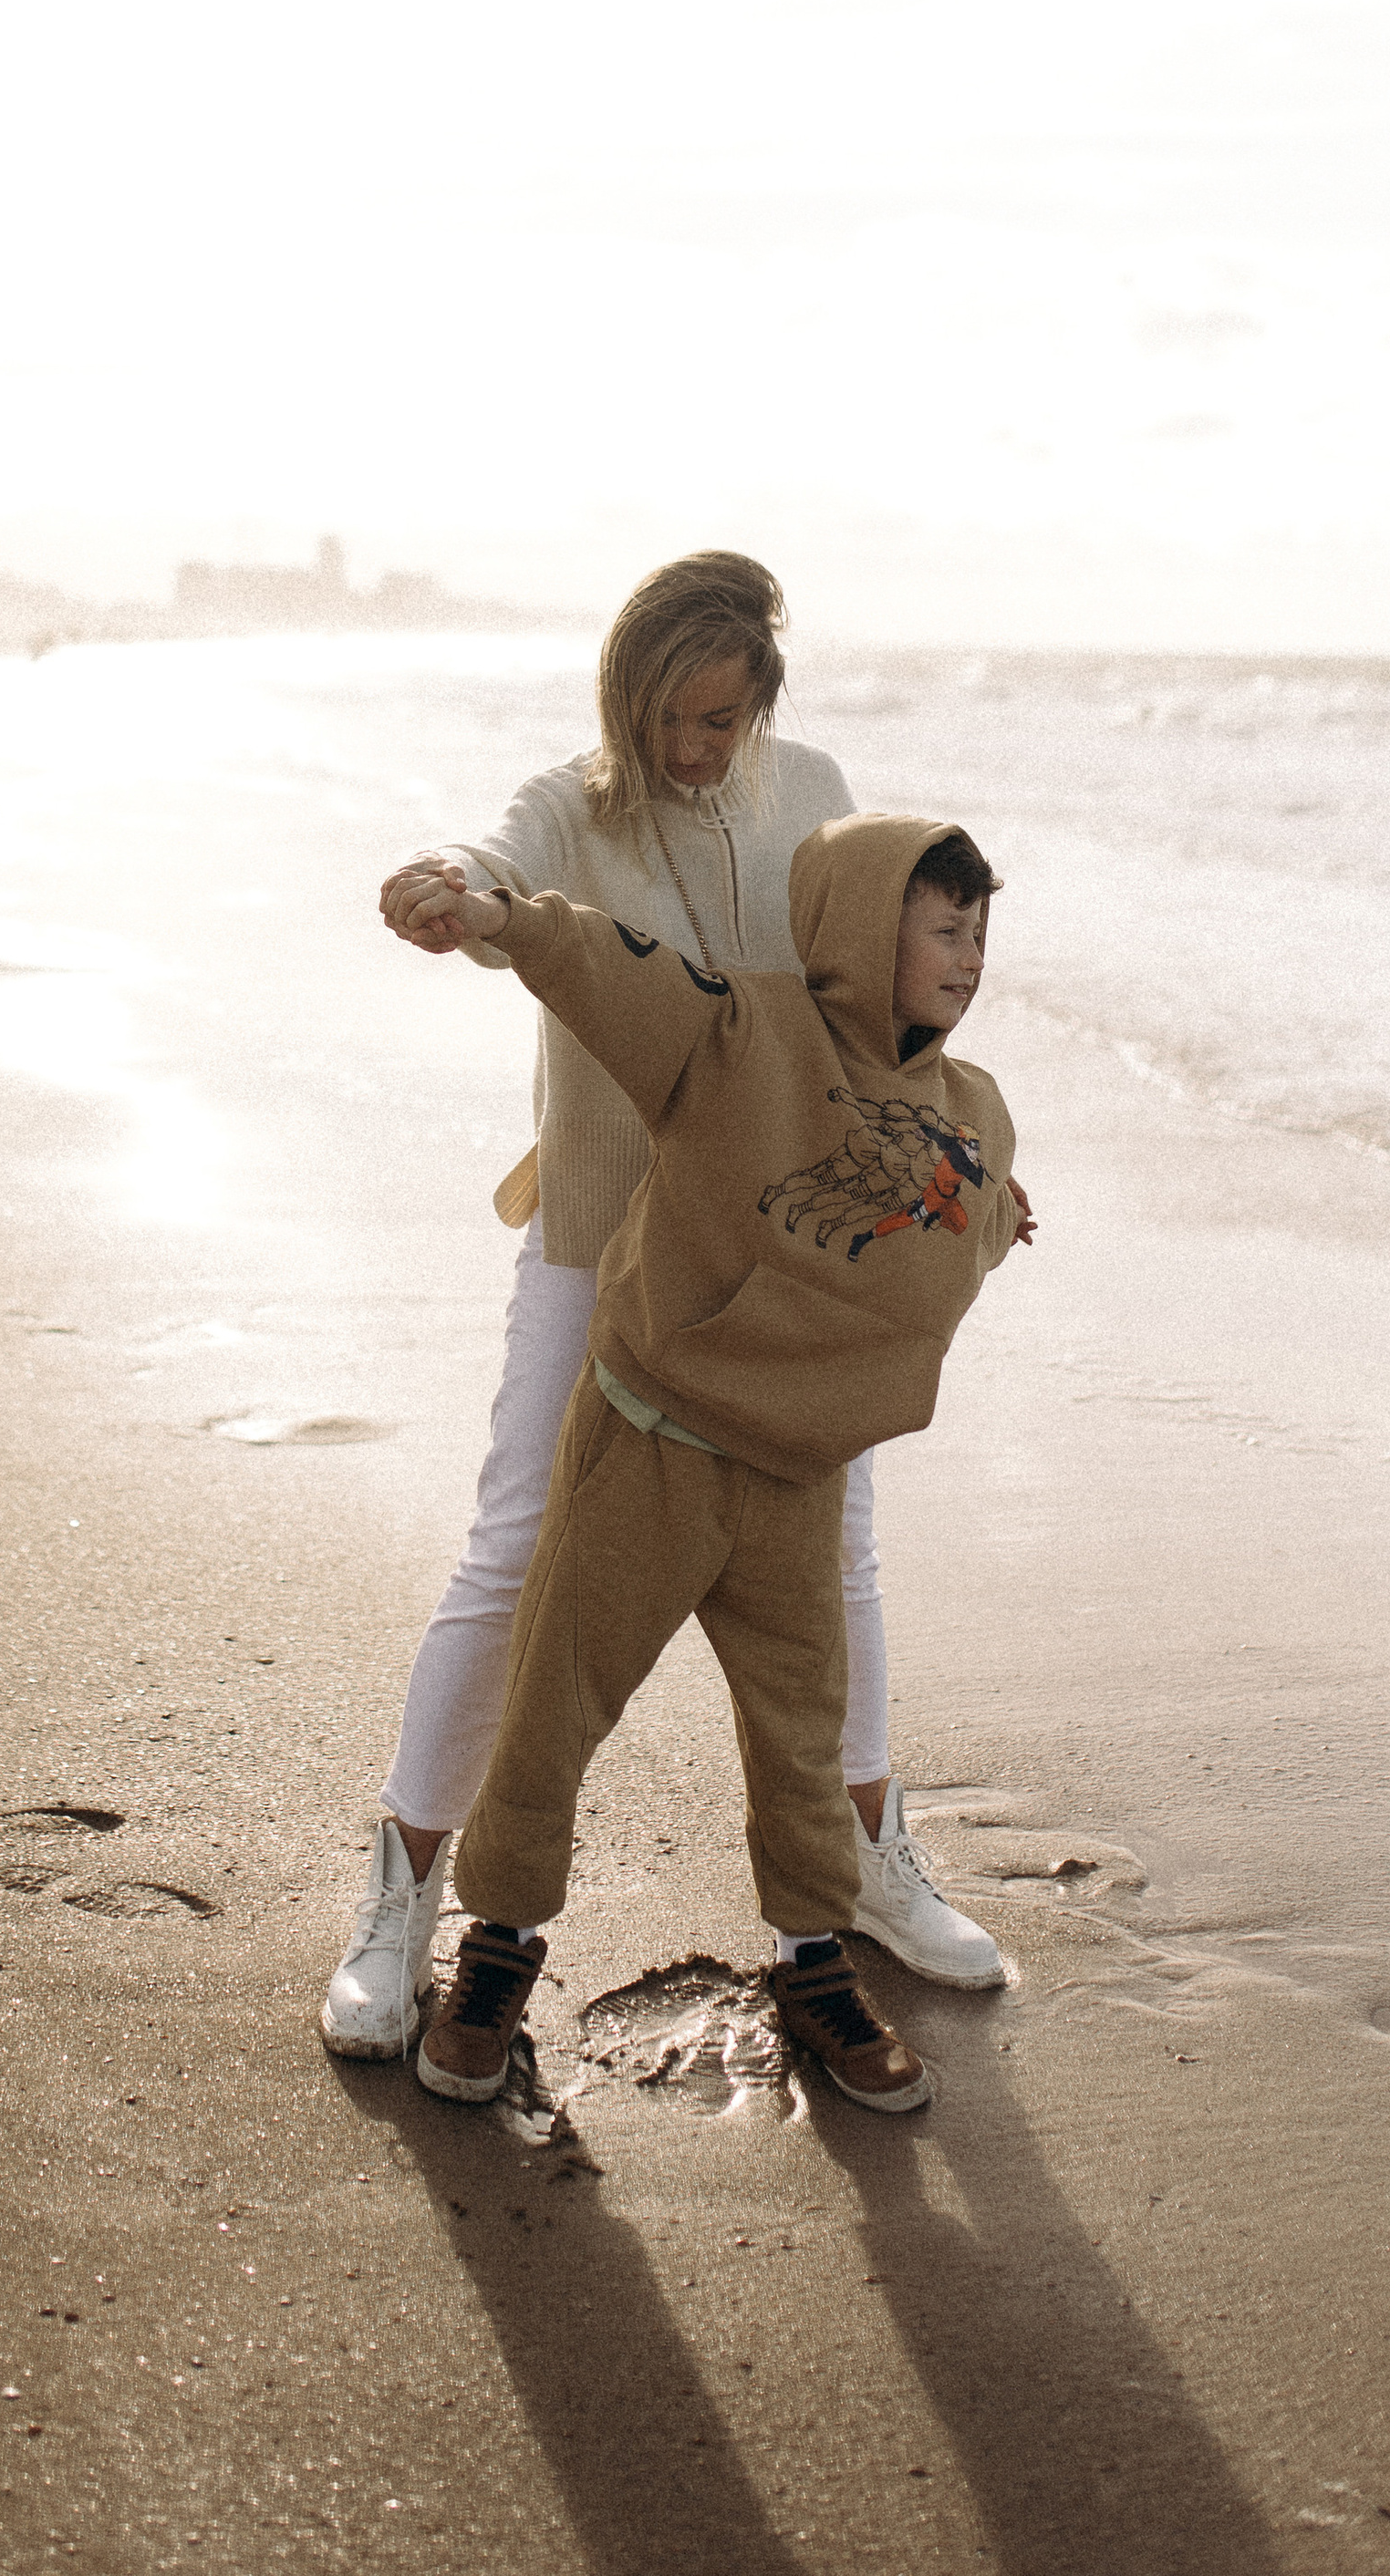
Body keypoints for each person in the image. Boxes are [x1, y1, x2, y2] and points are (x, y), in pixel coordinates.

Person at [320, 554, 1004, 2064]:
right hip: (600, 1230)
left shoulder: (807, 782)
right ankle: (403, 1897)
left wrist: (950, 1172)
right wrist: (453, 892)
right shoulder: (571, 803)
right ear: (623, 696)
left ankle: (870, 1868)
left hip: (778, 1261)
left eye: (724, 718)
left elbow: (862, 965)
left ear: (763, 702)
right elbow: (498, 871)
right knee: (518, 1548)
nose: (697, 749)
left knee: (841, 1556)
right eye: (674, 718)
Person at [405, 813, 1025, 2114]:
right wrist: (499, 913)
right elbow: (597, 960)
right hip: (653, 1450)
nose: (971, 956)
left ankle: (812, 1963)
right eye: (945, 929)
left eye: (982, 931)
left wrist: (996, 1211)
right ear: (866, 933)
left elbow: (950, 1221)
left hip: (801, 1480)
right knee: (555, 1709)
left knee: (803, 1743)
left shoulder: (973, 1110)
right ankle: (499, 1945)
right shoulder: (740, 1032)